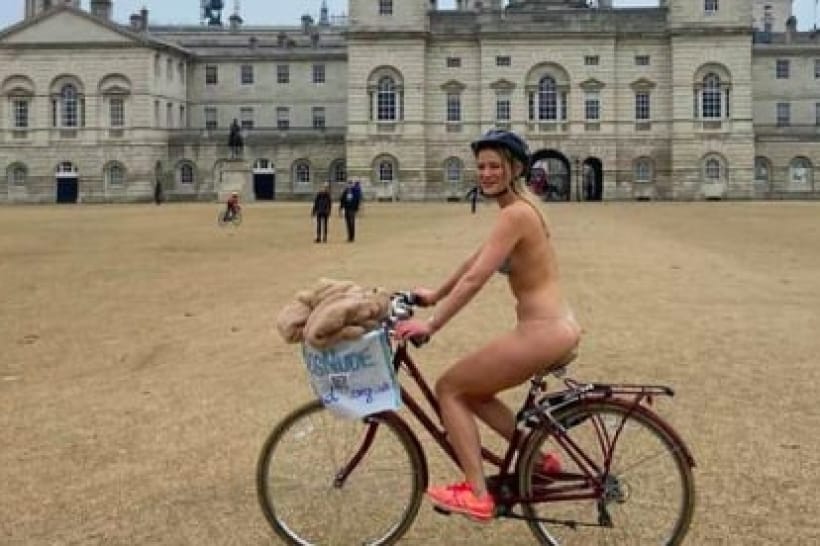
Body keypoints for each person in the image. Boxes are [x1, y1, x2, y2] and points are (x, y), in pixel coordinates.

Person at [394, 129, 582, 522]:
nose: (486, 173)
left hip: (542, 331)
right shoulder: (522, 208)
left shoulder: (515, 215)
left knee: (450, 388)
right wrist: (434, 294)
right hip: (555, 326)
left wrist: (432, 325)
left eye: (495, 166)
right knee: (476, 393)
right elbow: (474, 261)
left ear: (515, 169)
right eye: (481, 166)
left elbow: (476, 279)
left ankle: (477, 493)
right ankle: (539, 458)